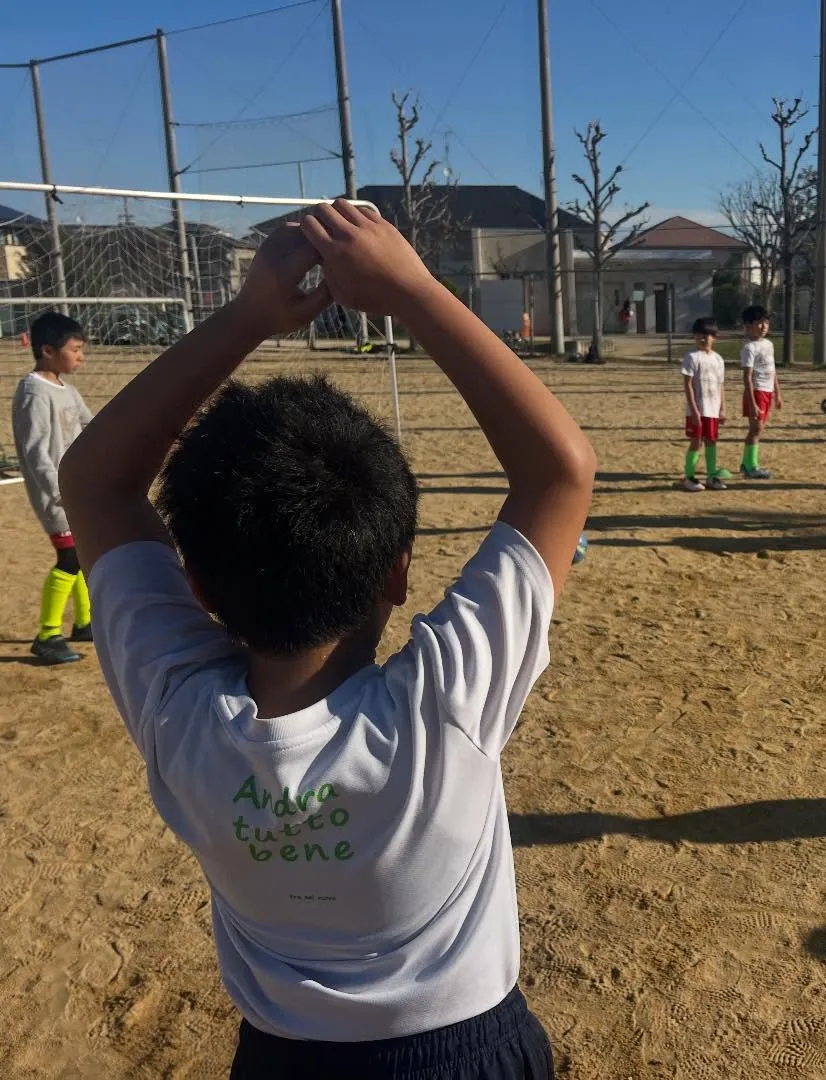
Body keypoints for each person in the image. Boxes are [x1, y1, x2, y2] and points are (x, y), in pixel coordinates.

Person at [58, 201, 595, 1078]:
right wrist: (414, 292)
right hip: (469, 1056)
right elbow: (562, 469)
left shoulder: (178, 716)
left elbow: (94, 481)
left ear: (198, 590)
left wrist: (248, 317)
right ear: (397, 574)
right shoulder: (442, 711)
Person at [12, 311, 93, 665]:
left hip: (77, 491)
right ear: (47, 350)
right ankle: (47, 635)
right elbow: (36, 453)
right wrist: (58, 492)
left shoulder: (68, 391)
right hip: (56, 497)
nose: (81, 357)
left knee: (82, 555)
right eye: (75, 350)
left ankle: (85, 623)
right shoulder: (33, 393)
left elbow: (91, 427)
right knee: (69, 558)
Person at [681, 317, 729, 491]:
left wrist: (722, 408)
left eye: (706, 335)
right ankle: (689, 477)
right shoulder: (692, 357)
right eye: (698, 335)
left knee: (711, 441)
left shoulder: (718, 359)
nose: (702, 338)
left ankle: (711, 476)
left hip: (713, 409)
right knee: (697, 441)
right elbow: (687, 384)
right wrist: (694, 410)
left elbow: (720, 385)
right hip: (697, 409)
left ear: (714, 337)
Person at [737, 305, 780, 480]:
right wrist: (753, 402)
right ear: (748, 326)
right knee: (756, 429)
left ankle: (746, 463)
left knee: (756, 429)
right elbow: (747, 377)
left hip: (767, 392)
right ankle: (752, 466)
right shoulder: (749, 348)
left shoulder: (768, 344)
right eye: (759, 323)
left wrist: (777, 393)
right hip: (756, 391)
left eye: (766, 323)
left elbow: (773, 370)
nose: (764, 327)